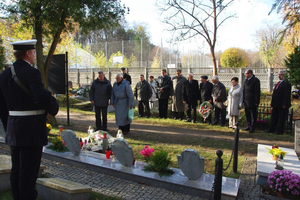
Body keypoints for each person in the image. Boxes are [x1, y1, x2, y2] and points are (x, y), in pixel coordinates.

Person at [0, 39, 59, 200]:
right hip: (31, 131)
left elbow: (2, 106)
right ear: (28, 53)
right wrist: (53, 105)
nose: (34, 55)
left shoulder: (4, 74)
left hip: (14, 129)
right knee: (28, 173)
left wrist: (9, 127)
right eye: (33, 52)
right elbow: (40, 96)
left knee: (16, 170)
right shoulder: (31, 73)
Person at [265, 70, 291, 135]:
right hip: (276, 104)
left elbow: (286, 95)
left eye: (281, 74)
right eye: (279, 74)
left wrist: (285, 104)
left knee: (282, 118)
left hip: (282, 104)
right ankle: (272, 129)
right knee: (274, 117)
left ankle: (280, 130)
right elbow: (275, 93)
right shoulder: (278, 83)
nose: (279, 76)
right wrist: (272, 103)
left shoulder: (286, 83)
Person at [243, 69, 260, 133]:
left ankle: (252, 127)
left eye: (246, 73)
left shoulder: (255, 81)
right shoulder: (246, 81)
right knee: (247, 114)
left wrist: (256, 101)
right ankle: (248, 125)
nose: (245, 75)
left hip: (252, 101)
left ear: (250, 74)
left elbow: (257, 92)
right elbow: (244, 91)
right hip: (246, 101)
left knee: (253, 115)